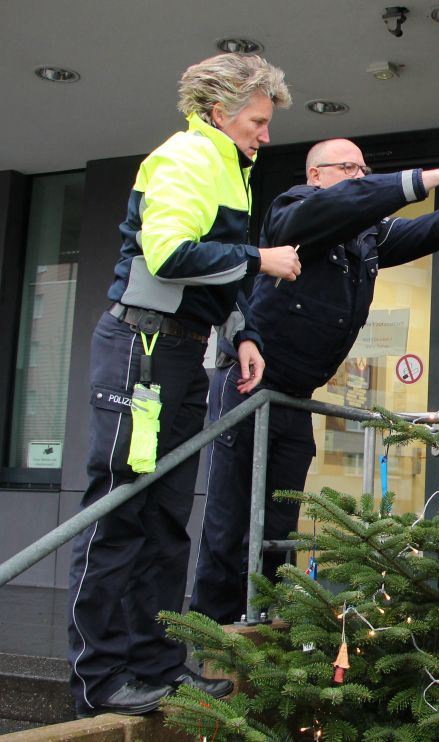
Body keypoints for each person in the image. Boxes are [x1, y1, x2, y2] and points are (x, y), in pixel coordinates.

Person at [67, 53, 301, 718]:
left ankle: (158, 668)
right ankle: (99, 680)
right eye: (257, 122)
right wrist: (261, 258)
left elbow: (211, 274)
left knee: (168, 520)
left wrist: (243, 332)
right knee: (118, 513)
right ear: (220, 113)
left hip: (179, 351)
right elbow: (169, 255)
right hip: (140, 352)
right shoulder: (185, 158)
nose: (265, 135)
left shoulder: (229, 167)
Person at [189, 137, 439, 624]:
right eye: (348, 169)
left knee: (278, 524)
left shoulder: (365, 236)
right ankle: (214, 634)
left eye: (364, 170)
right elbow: (342, 207)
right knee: (230, 519)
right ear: (315, 176)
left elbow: (414, 233)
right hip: (249, 389)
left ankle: (262, 624)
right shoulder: (294, 210)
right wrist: (435, 177)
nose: (360, 178)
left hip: (295, 398)